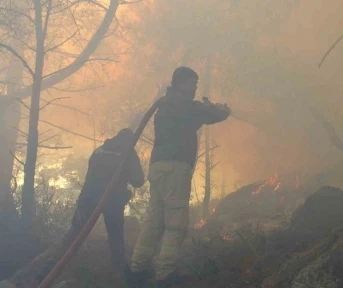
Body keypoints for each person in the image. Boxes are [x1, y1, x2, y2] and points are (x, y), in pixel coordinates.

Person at [129, 67, 230, 287]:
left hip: (158, 169)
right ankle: (165, 275)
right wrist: (221, 109)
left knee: (154, 221)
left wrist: (206, 109)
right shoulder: (186, 106)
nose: (195, 88)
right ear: (181, 83)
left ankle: (138, 268)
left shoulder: (165, 105)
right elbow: (215, 115)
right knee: (176, 224)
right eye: (192, 83)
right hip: (175, 170)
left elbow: (195, 117)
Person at [36, 128, 145, 285]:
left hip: (87, 198)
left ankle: (46, 272)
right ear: (131, 141)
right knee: (116, 239)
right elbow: (139, 181)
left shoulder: (99, 150)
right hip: (112, 200)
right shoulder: (128, 152)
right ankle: (121, 278)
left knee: (73, 235)